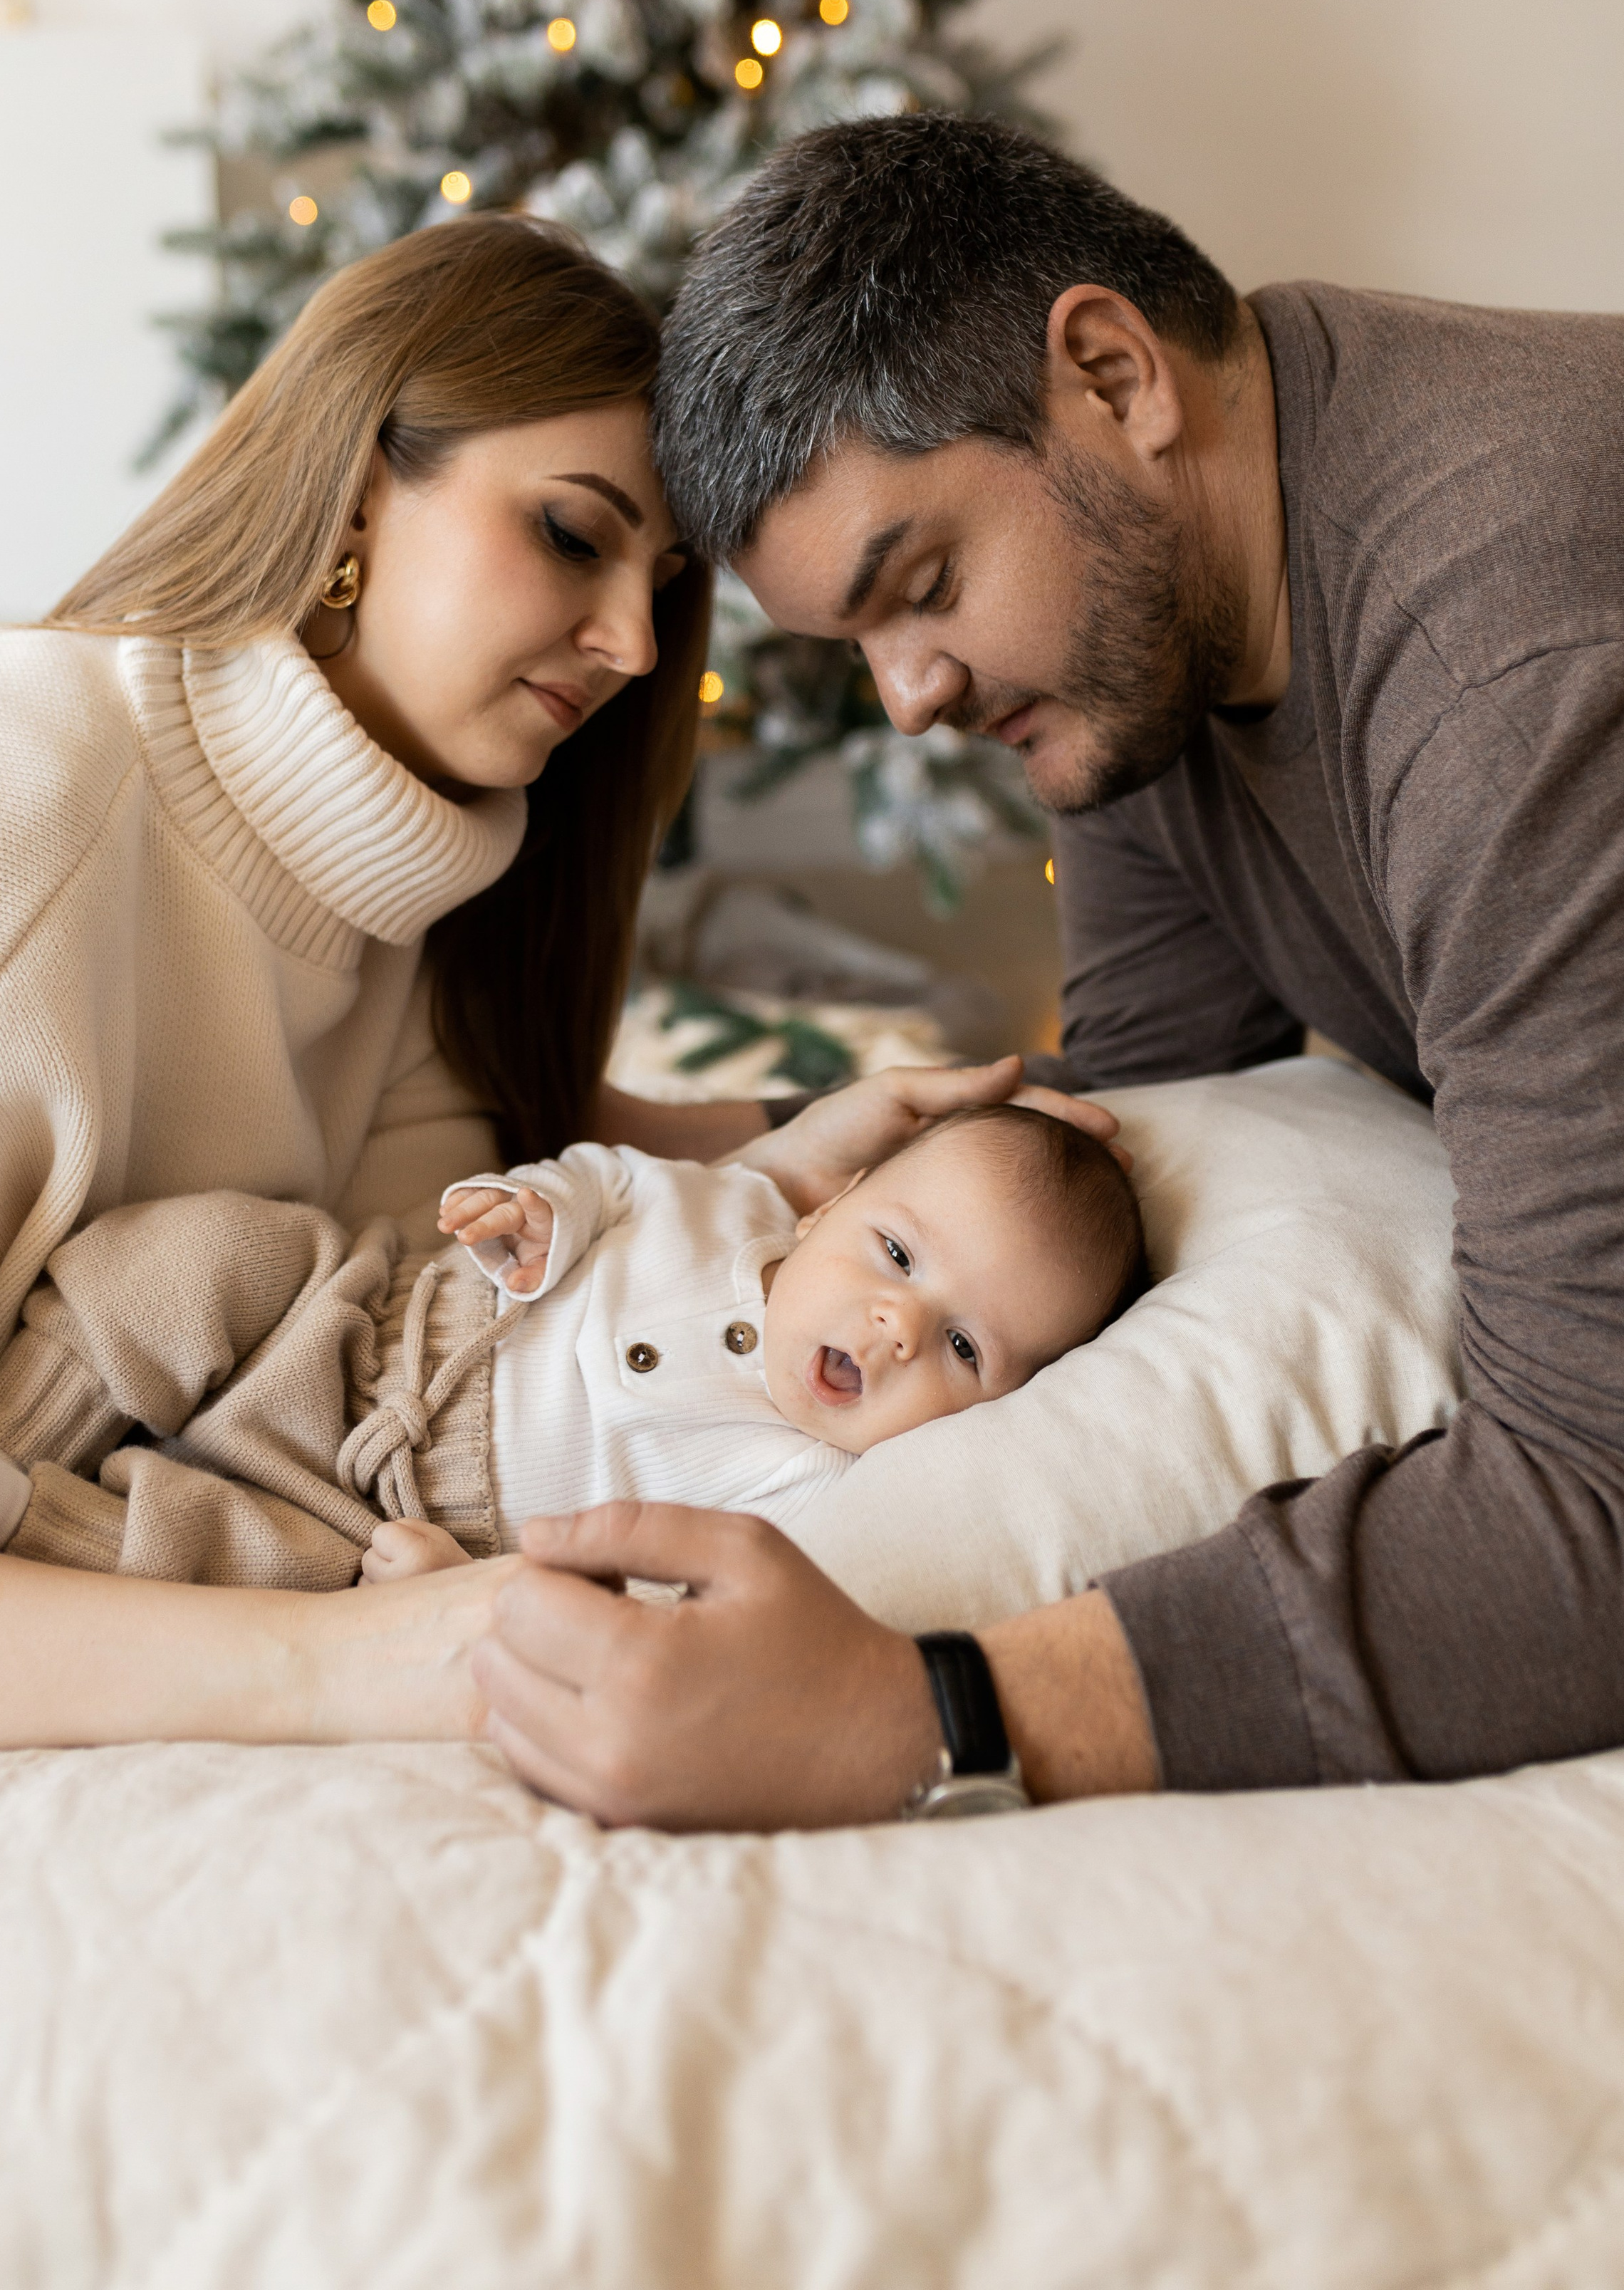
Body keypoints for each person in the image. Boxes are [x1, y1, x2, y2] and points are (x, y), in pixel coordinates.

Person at [0, 207, 1116, 1762]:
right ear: (358, 485)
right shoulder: (0, 814)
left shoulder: (401, 870)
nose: (634, 644)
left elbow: (439, 1275)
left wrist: (798, 1150)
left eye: (663, 577)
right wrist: (340, 1661)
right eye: (570, 531)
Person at [468, 110, 1624, 1831]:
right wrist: (726, 1168)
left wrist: (922, 1710)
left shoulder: (1505, 667)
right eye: (857, 646)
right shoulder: (1150, 623)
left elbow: (1594, 1506)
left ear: (1107, 373)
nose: (909, 699)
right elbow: (1144, 1104)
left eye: (918, 585)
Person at [0, 1102, 1145, 1583]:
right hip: (362, 1328)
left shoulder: (813, 1485)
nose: (896, 1327)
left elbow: (656, 1587)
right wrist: (536, 1211)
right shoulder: (731, 1204)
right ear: (834, 1201)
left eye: (968, 1352)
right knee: (198, 1257)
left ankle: (23, 1524)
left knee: (244, 1569)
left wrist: (462, 1590)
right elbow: (605, 1177)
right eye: (896, 1254)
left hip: (397, 1533)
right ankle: (4, 1431)